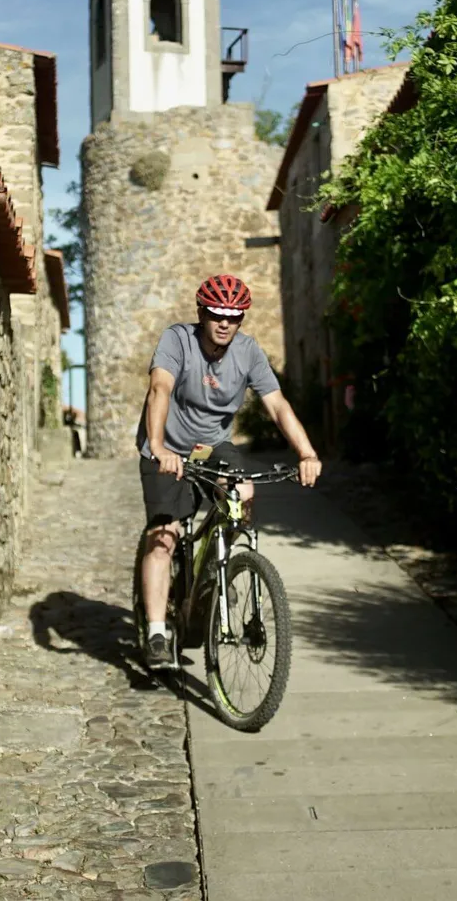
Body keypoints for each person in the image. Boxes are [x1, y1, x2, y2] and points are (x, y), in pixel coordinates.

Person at [135, 274, 322, 668]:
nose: (225, 323)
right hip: (166, 445)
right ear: (202, 313)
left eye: (234, 317)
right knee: (164, 536)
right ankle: (155, 632)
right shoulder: (177, 340)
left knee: (245, 494)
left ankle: (221, 567)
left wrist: (306, 453)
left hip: (212, 446)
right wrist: (157, 447)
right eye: (217, 314)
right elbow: (159, 390)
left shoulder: (248, 352)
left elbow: (277, 405)